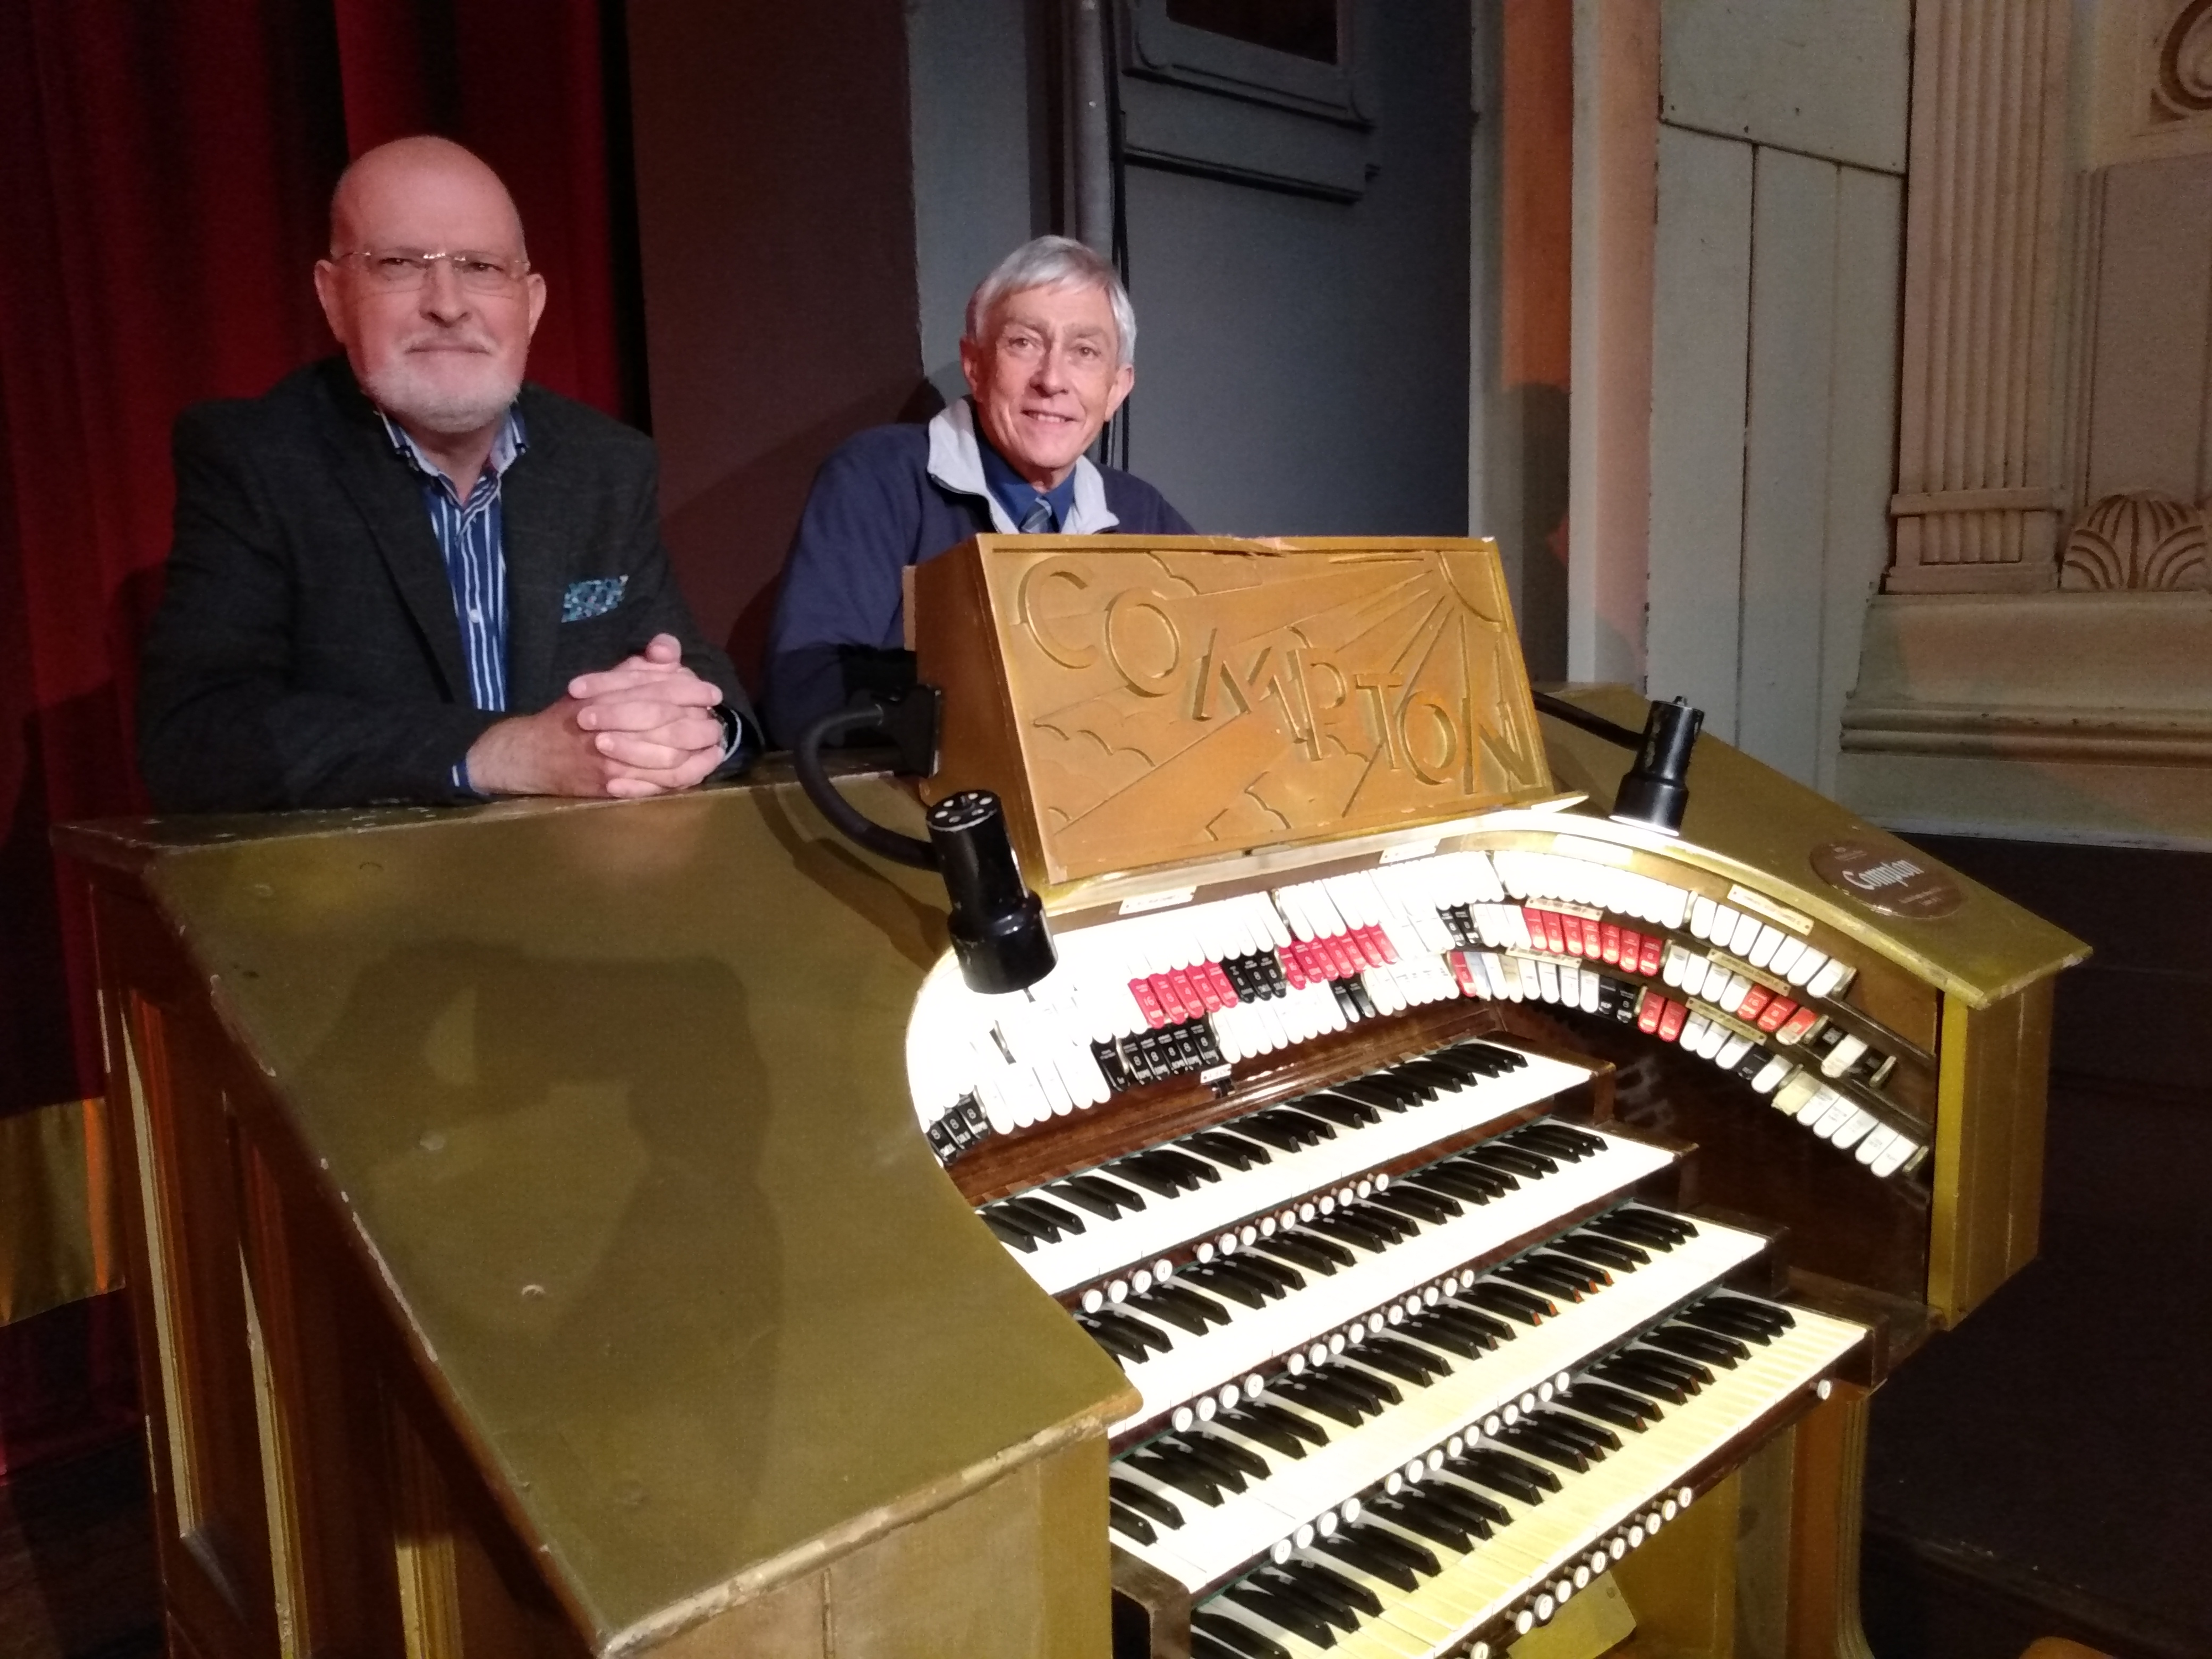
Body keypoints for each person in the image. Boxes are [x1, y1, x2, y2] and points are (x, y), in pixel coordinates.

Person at [138, 135, 755, 812]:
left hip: (587, 889)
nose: (449, 303)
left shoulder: (603, 463)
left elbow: (697, 676)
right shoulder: (256, 458)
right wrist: (503, 752)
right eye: (400, 264)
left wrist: (694, 730)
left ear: (532, 302)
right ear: (334, 298)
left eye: (482, 267)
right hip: (363, 901)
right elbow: (198, 738)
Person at [761, 236, 1192, 747]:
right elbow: (804, 696)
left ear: (1116, 389)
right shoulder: (878, 477)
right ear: (975, 365)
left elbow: (1215, 683)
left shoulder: (1142, 515)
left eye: (1085, 351)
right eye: (1024, 343)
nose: (1052, 379)